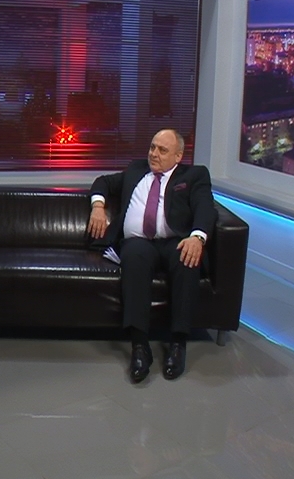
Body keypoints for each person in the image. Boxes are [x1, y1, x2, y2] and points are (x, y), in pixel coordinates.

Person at [88, 128, 217, 383]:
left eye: (162, 150)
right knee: (134, 257)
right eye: (152, 147)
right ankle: (139, 346)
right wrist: (98, 206)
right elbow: (103, 182)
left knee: (187, 259)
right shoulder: (136, 170)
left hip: (175, 240)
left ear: (178, 156)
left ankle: (178, 344)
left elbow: (205, 207)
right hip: (138, 242)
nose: (154, 154)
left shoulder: (193, 176)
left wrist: (197, 237)